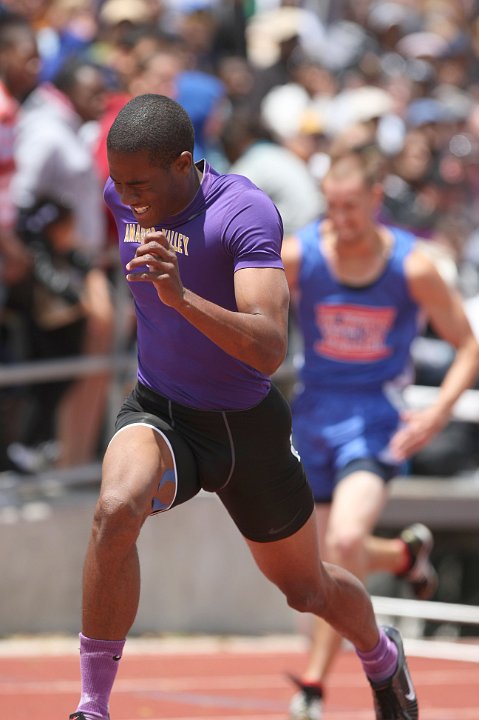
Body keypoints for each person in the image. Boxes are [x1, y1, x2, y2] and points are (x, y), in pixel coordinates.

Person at [68, 94, 419, 720]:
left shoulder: (243, 211)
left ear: (184, 163)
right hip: (160, 408)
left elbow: (268, 348)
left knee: (306, 588)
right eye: (118, 182)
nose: (125, 195)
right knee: (115, 510)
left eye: (140, 182)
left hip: (244, 426)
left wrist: (180, 298)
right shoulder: (121, 192)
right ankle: (92, 706)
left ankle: (381, 656)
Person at [281, 143, 479, 720]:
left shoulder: (412, 266)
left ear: (374, 199)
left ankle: (321, 681)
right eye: (330, 208)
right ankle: (403, 556)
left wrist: (439, 411)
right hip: (313, 415)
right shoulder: (303, 255)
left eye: (350, 207)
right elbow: (238, 280)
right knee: (314, 565)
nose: (339, 221)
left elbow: (468, 346)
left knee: (342, 543)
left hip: (375, 420)